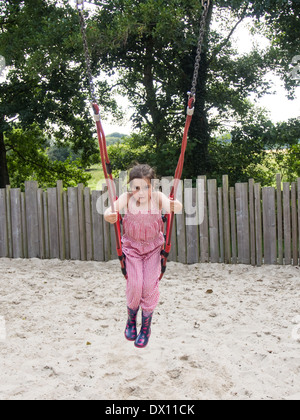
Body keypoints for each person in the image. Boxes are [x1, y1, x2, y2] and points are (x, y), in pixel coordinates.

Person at [104, 164, 183, 348]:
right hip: (132, 249)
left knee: (148, 285)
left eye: (145, 187)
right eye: (136, 187)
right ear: (130, 187)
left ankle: (146, 326)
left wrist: (173, 205)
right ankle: (131, 318)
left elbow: (176, 205)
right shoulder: (126, 198)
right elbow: (111, 209)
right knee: (134, 283)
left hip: (153, 249)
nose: (140, 192)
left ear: (152, 186)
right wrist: (109, 215)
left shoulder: (157, 197)